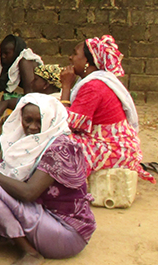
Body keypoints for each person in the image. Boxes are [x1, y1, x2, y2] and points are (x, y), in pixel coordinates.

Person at [0, 94, 96, 265]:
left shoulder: (60, 147)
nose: (32, 127)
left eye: (39, 121)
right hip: (46, 220)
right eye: (27, 120)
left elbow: (29, 193)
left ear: (51, 119)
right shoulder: (24, 142)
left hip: (67, 233)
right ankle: (10, 233)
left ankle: (30, 252)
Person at [59, 36, 153, 182]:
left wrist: (65, 86)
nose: (70, 58)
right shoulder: (95, 81)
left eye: (75, 54)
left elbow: (69, 124)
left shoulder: (93, 87)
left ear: (88, 62)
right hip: (117, 145)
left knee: (54, 141)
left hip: (112, 149)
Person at [0, 34, 43, 115]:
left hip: (42, 99)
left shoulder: (25, 62)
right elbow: (6, 93)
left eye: (7, 53)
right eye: (2, 53)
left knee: (5, 103)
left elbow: (30, 95)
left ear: (16, 52)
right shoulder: (10, 64)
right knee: (2, 102)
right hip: (33, 98)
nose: (3, 56)